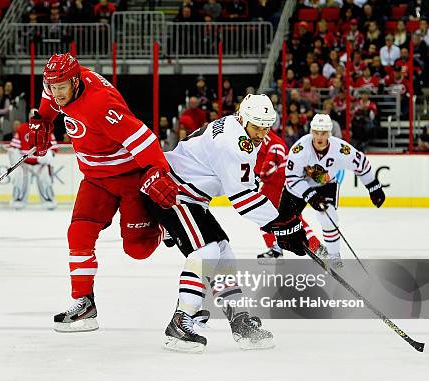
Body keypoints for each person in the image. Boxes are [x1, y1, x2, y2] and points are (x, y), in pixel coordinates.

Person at [143, 94, 308, 352]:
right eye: (257, 126)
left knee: (223, 252)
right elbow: (243, 199)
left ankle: (239, 320)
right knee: (206, 251)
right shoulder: (235, 144)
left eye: (266, 127)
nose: (262, 133)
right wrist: (283, 227)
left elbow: (247, 187)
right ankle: (180, 321)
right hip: (173, 193)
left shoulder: (237, 128)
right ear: (243, 119)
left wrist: (283, 226)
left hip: (189, 197)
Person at [29, 53, 172, 332]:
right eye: (52, 87)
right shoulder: (57, 83)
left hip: (129, 177)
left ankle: (164, 225)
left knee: (138, 250)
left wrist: (158, 172)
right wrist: (43, 122)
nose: (56, 93)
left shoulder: (101, 104)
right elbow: (47, 103)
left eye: (61, 88)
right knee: (78, 233)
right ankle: (84, 304)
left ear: (75, 81)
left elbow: (143, 140)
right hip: (95, 178)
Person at [279, 114, 385, 268]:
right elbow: (291, 177)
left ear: (329, 133)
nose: (319, 137)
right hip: (298, 186)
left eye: (323, 133)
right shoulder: (300, 149)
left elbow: (362, 163)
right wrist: (310, 196)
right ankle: (278, 248)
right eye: (316, 132)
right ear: (311, 132)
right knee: (283, 227)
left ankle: (334, 257)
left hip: (326, 185)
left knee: (329, 217)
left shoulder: (341, 149)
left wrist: (373, 187)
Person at [254, 130, 325, 260]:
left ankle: (313, 246)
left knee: (267, 215)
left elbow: (277, 149)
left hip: (276, 181)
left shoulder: (260, 133)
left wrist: (263, 173)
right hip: (280, 180)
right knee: (287, 217)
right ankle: (314, 246)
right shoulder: (257, 132)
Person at [7, 122, 57, 210]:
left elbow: (53, 149)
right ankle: (18, 200)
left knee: (45, 179)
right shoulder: (22, 128)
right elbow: (14, 147)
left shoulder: (46, 128)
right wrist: (15, 155)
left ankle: (49, 200)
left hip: (41, 164)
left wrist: (47, 156)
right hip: (25, 164)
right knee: (20, 178)